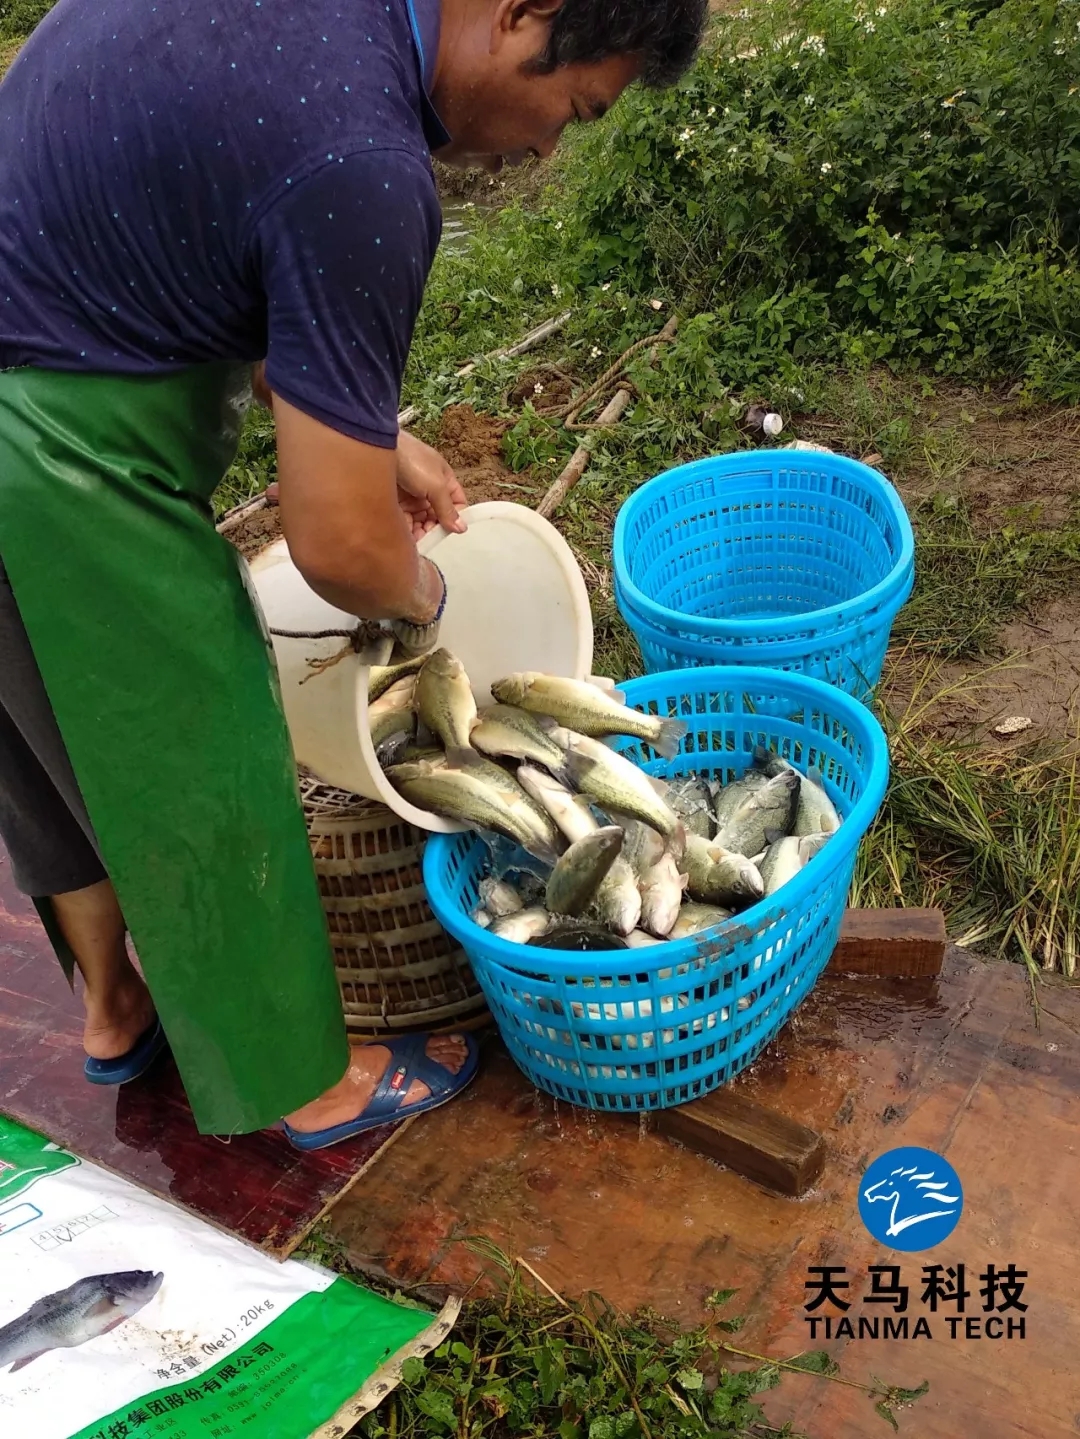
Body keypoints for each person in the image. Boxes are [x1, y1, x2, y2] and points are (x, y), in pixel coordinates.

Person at [0, 0, 706, 1147]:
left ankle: (114, 1006)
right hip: (57, 449)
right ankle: (304, 1084)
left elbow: (211, 215)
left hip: (28, 330)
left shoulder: (319, 31)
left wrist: (374, 436)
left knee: (40, 731)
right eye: (571, 110)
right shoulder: (369, 163)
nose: (544, 150)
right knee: (189, 735)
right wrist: (427, 607)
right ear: (524, 14)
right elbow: (337, 549)